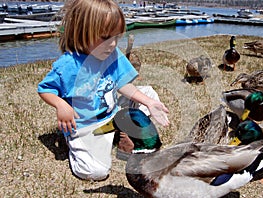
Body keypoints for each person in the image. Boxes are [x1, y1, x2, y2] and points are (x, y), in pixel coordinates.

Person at [37, 0, 169, 181]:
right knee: (96, 172)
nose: (113, 44)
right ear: (82, 31)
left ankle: (123, 134)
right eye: (106, 37)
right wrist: (61, 105)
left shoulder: (112, 54)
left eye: (117, 37)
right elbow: (45, 90)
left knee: (149, 94)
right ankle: (78, 145)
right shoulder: (67, 65)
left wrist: (149, 103)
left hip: (113, 114)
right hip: (86, 126)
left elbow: (123, 85)